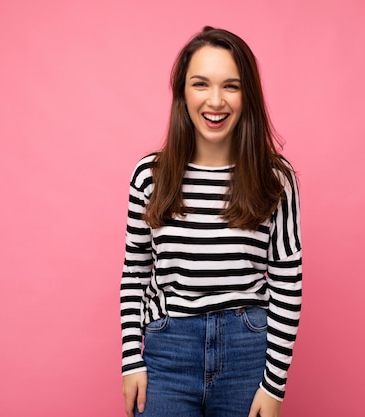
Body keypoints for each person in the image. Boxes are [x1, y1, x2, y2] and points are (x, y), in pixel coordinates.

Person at [120, 26, 302, 417]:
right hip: (168, 353)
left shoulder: (275, 178)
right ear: (182, 93)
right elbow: (135, 271)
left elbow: (288, 281)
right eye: (200, 84)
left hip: (247, 353)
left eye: (230, 86)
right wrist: (131, 359)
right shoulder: (149, 176)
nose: (215, 101)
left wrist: (274, 385)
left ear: (247, 95)